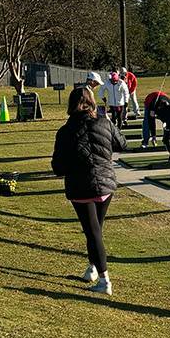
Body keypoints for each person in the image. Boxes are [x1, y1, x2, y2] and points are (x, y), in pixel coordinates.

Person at [51, 84, 125, 296]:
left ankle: (104, 280)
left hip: (83, 187)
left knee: (93, 233)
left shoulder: (66, 131)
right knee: (96, 230)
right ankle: (93, 268)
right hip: (105, 184)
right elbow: (121, 144)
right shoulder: (103, 122)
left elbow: (58, 167)